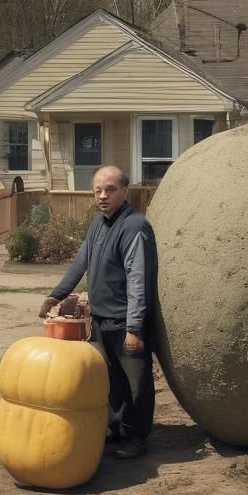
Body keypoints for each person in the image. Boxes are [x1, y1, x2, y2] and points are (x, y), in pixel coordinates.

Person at [39, 165, 158, 460]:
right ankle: (116, 428)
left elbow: (138, 279)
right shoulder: (98, 224)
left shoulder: (134, 227)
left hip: (126, 321)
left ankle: (137, 438)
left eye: (110, 190)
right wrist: (56, 295)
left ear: (125, 191)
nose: (103, 196)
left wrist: (134, 328)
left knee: (136, 383)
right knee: (112, 381)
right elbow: (81, 263)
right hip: (102, 320)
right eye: (98, 191)